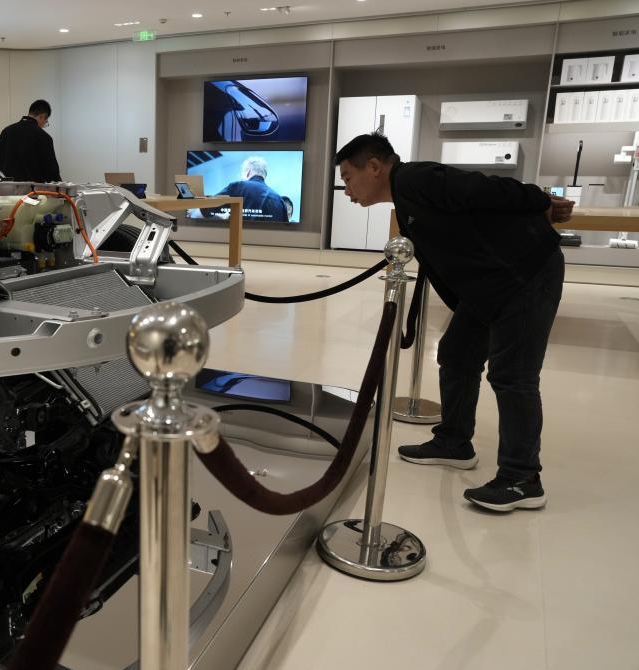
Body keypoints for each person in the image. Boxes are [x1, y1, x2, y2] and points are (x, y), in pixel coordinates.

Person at [335, 133, 574, 513]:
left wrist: (541, 200)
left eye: (348, 178)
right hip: (489, 287)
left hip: (527, 273)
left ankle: (522, 478)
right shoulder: (405, 200)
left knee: (513, 375)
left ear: (375, 166)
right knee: (456, 353)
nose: (346, 190)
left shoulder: (415, 179)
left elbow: (485, 188)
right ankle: (454, 442)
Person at [0, 99, 61, 182]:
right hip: (32, 189)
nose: (43, 126)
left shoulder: (6, 131)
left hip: (5, 188)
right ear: (42, 116)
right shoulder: (44, 137)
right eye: (45, 122)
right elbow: (52, 173)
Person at [210, 156, 287, 222]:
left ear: (248, 172)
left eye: (241, 174)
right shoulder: (280, 200)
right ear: (264, 175)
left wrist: (221, 218)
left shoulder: (237, 187)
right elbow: (286, 229)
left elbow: (206, 208)